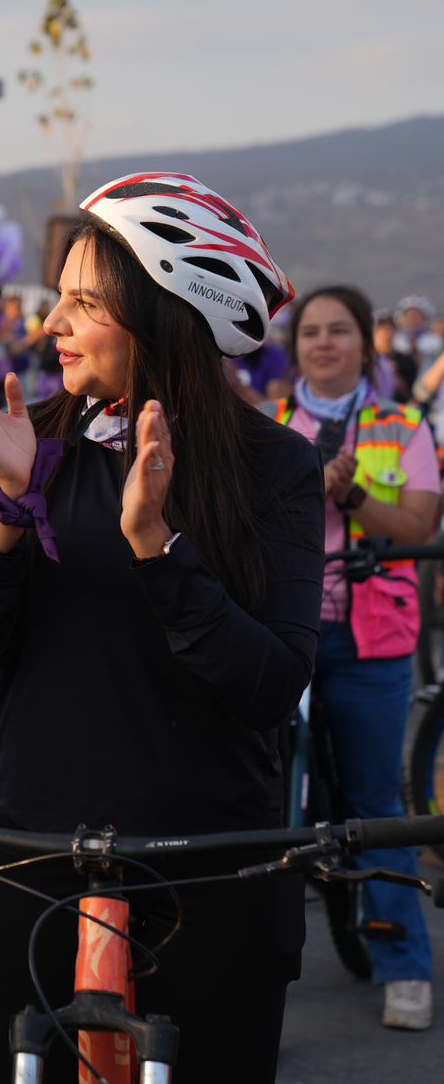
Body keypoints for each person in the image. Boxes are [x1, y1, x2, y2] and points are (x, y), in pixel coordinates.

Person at [0, 171, 322, 1081]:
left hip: (210, 869)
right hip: (29, 857)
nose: (51, 327)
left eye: (82, 303)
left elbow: (271, 683)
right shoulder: (38, 443)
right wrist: (8, 502)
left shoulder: (276, 467)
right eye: (55, 301)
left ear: (165, 312)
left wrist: (157, 549)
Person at [271, 284, 438, 1031]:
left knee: (376, 802)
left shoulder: (404, 424)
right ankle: (259, 970)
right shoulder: (271, 425)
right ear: (295, 344)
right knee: (274, 806)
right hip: (284, 636)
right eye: (312, 331)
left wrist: (353, 494)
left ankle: (406, 968)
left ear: (364, 345)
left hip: (374, 642)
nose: (325, 342)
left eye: (340, 330)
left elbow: (415, 526)